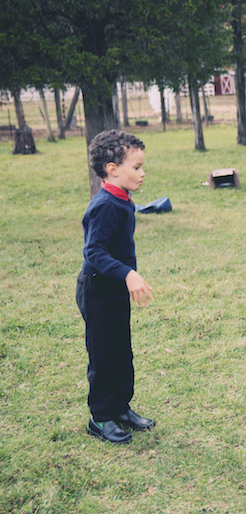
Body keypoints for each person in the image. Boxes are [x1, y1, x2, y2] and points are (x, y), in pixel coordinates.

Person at [76, 130, 156, 444]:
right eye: (136, 167)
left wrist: (125, 277)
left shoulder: (122, 199)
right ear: (113, 169)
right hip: (98, 290)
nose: (142, 172)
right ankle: (100, 417)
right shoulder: (105, 205)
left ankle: (121, 408)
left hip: (115, 289)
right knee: (103, 355)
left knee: (121, 352)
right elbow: (93, 252)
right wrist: (127, 273)